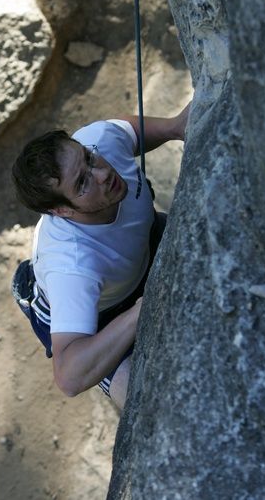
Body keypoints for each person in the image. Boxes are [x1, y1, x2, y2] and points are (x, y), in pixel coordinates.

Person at [11, 104, 190, 409]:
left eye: (88, 157)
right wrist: (142, 311)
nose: (103, 173)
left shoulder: (98, 142)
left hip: (139, 252)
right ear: (62, 211)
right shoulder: (72, 268)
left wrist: (175, 127)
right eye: (82, 182)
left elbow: (128, 131)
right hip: (96, 315)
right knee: (148, 402)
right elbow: (70, 375)